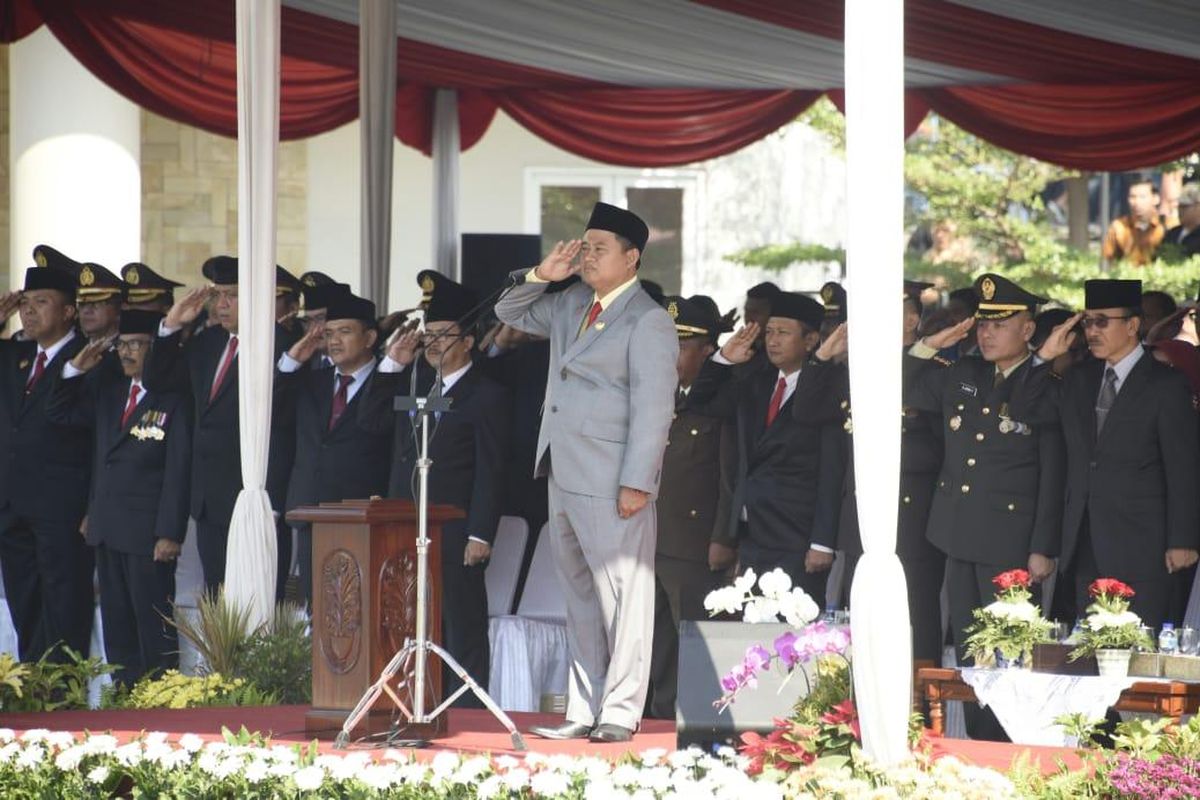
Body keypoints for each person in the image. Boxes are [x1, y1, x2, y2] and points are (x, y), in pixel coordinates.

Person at [495, 201, 677, 743]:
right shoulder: (572, 300)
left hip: (614, 477)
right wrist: (539, 275)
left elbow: (654, 406)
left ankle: (620, 710)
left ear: (632, 257)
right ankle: (584, 705)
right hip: (563, 468)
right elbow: (509, 314)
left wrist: (637, 482)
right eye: (585, 245)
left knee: (625, 598)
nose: (588, 255)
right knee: (578, 596)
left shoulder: (646, 319)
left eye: (600, 248)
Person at [906, 273, 1064, 731]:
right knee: (973, 656)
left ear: (1028, 330)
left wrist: (1043, 546)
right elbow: (906, 387)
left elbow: (1053, 474)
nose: (986, 333)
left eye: (999, 324)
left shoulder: (1043, 385)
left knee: (1010, 657)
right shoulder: (963, 374)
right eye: (982, 324)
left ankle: (1006, 746)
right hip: (957, 534)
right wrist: (928, 345)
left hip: (1011, 544)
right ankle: (977, 741)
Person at [367, 272, 510, 709]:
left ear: (468, 342)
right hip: (405, 530)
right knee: (410, 625)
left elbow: (492, 469)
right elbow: (369, 426)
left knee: (459, 625)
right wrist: (391, 364)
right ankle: (415, 705)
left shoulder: (486, 394)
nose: (433, 344)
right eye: (428, 336)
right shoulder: (412, 384)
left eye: (444, 336)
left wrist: (481, 533)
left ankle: (467, 711)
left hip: (456, 531)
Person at [1036, 280, 1200, 629]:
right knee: (1090, 651)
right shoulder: (1079, 378)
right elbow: (1026, 409)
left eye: (1102, 321)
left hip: (1144, 542)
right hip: (1085, 538)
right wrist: (1044, 357)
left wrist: (1183, 539)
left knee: (1137, 651)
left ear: (1132, 324)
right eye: (1088, 322)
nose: (1092, 331)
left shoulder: (1165, 384)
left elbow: (1183, 467)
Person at [802, 280, 947, 663]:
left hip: (911, 520)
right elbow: (807, 412)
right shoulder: (857, 369)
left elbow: (944, 448)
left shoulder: (937, 369)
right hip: (860, 521)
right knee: (860, 629)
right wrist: (821, 358)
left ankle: (916, 714)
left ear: (911, 320)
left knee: (916, 625)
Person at [47, 310, 191, 686]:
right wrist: (74, 370)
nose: (126, 352)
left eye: (136, 345)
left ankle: (161, 698)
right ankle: (125, 699)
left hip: (148, 535)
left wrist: (170, 532)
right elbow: (61, 416)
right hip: (108, 527)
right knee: (117, 625)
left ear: (155, 349)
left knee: (152, 625)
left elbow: (178, 470)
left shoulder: (172, 400)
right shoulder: (109, 394)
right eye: (122, 345)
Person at [143, 256, 293, 595]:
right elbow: (159, 379)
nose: (222, 305)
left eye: (233, 295)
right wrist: (170, 327)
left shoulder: (281, 346)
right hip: (210, 499)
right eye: (219, 295)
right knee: (218, 596)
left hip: (254, 498)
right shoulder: (209, 343)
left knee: (257, 599)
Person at [688, 290, 845, 603]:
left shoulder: (832, 385)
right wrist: (722, 360)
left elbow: (832, 468)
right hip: (753, 531)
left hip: (798, 536)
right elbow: (700, 402)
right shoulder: (756, 380)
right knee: (756, 633)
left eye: (783, 333)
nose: (773, 341)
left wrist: (823, 542)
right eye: (770, 332)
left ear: (811, 339)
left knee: (795, 637)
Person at [645, 296, 736, 719]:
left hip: (695, 543)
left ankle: (701, 722)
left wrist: (723, 537)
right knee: (658, 640)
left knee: (696, 639)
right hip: (653, 535)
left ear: (707, 351)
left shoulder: (720, 402)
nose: (671, 356)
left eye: (681, 346)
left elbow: (728, 479)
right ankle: (662, 718)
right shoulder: (657, 396)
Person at [0, 266, 93, 661]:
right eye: (25, 304)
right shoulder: (17, 356)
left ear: (69, 311)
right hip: (13, 505)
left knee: (64, 601)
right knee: (25, 599)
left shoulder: (88, 358)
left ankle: (63, 693)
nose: (30, 313)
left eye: (42, 303)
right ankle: (34, 687)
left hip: (62, 507)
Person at [278, 292, 391, 609]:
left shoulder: (389, 382)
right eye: (329, 334)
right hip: (310, 509)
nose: (335, 341)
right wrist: (293, 359)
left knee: (358, 608)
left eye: (345, 331)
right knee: (317, 607)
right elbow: (270, 411)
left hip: (362, 512)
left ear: (369, 337)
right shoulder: (311, 381)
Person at [1102, 179, 1165, 266]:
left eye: (1142, 197)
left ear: (1155, 199)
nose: (1136, 202)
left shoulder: (1165, 227)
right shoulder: (1119, 227)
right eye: (1132, 197)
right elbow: (1108, 259)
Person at [75, 262, 125, 343]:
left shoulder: (126, 351)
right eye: (82, 304)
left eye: (96, 303)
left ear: (117, 308)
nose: (87, 311)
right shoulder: (74, 351)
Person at [1164, 184, 1200, 258]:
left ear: (1198, 207)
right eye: (1179, 206)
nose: (1180, 210)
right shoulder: (1172, 233)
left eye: (1185, 207)